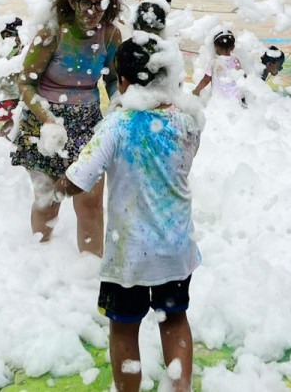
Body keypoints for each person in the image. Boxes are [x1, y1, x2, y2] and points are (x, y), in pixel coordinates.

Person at [55, 38, 201, 392]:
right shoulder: (188, 122)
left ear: (123, 83)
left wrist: (56, 181)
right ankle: (180, 389)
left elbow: (78, 180)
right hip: (175, 249)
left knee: (123, 327)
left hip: (129, 255)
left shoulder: (117, 126)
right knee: (174, 318)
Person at [12, 0, 122, 254]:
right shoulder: (53, 33)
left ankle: (89, 277)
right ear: (72, 1)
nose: (92, 11)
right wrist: (48, 120)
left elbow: (113, 79)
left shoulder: (110, 35)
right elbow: (25, 83)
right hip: (44, 126)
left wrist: (118, 104)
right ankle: (40, 262)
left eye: (100, 4)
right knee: (48, 202)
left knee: (90, 202)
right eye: (86, 3)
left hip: (88, 123)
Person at [192, 29, 243, 105]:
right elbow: (241, 78)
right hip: (235, 100)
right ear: (233, 47)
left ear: (216, 47)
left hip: (219, 101)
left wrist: (197, 90)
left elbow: (206, 80)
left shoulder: (213, 62)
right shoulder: (236, 61)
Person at [0, 18, 24, 131]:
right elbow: (14, 66)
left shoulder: (11, 49)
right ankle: (6, 141)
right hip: (7, 95)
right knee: (13, 123)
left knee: (14, 122)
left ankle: (6, 140)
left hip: (7, 94)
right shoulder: (8, 50)